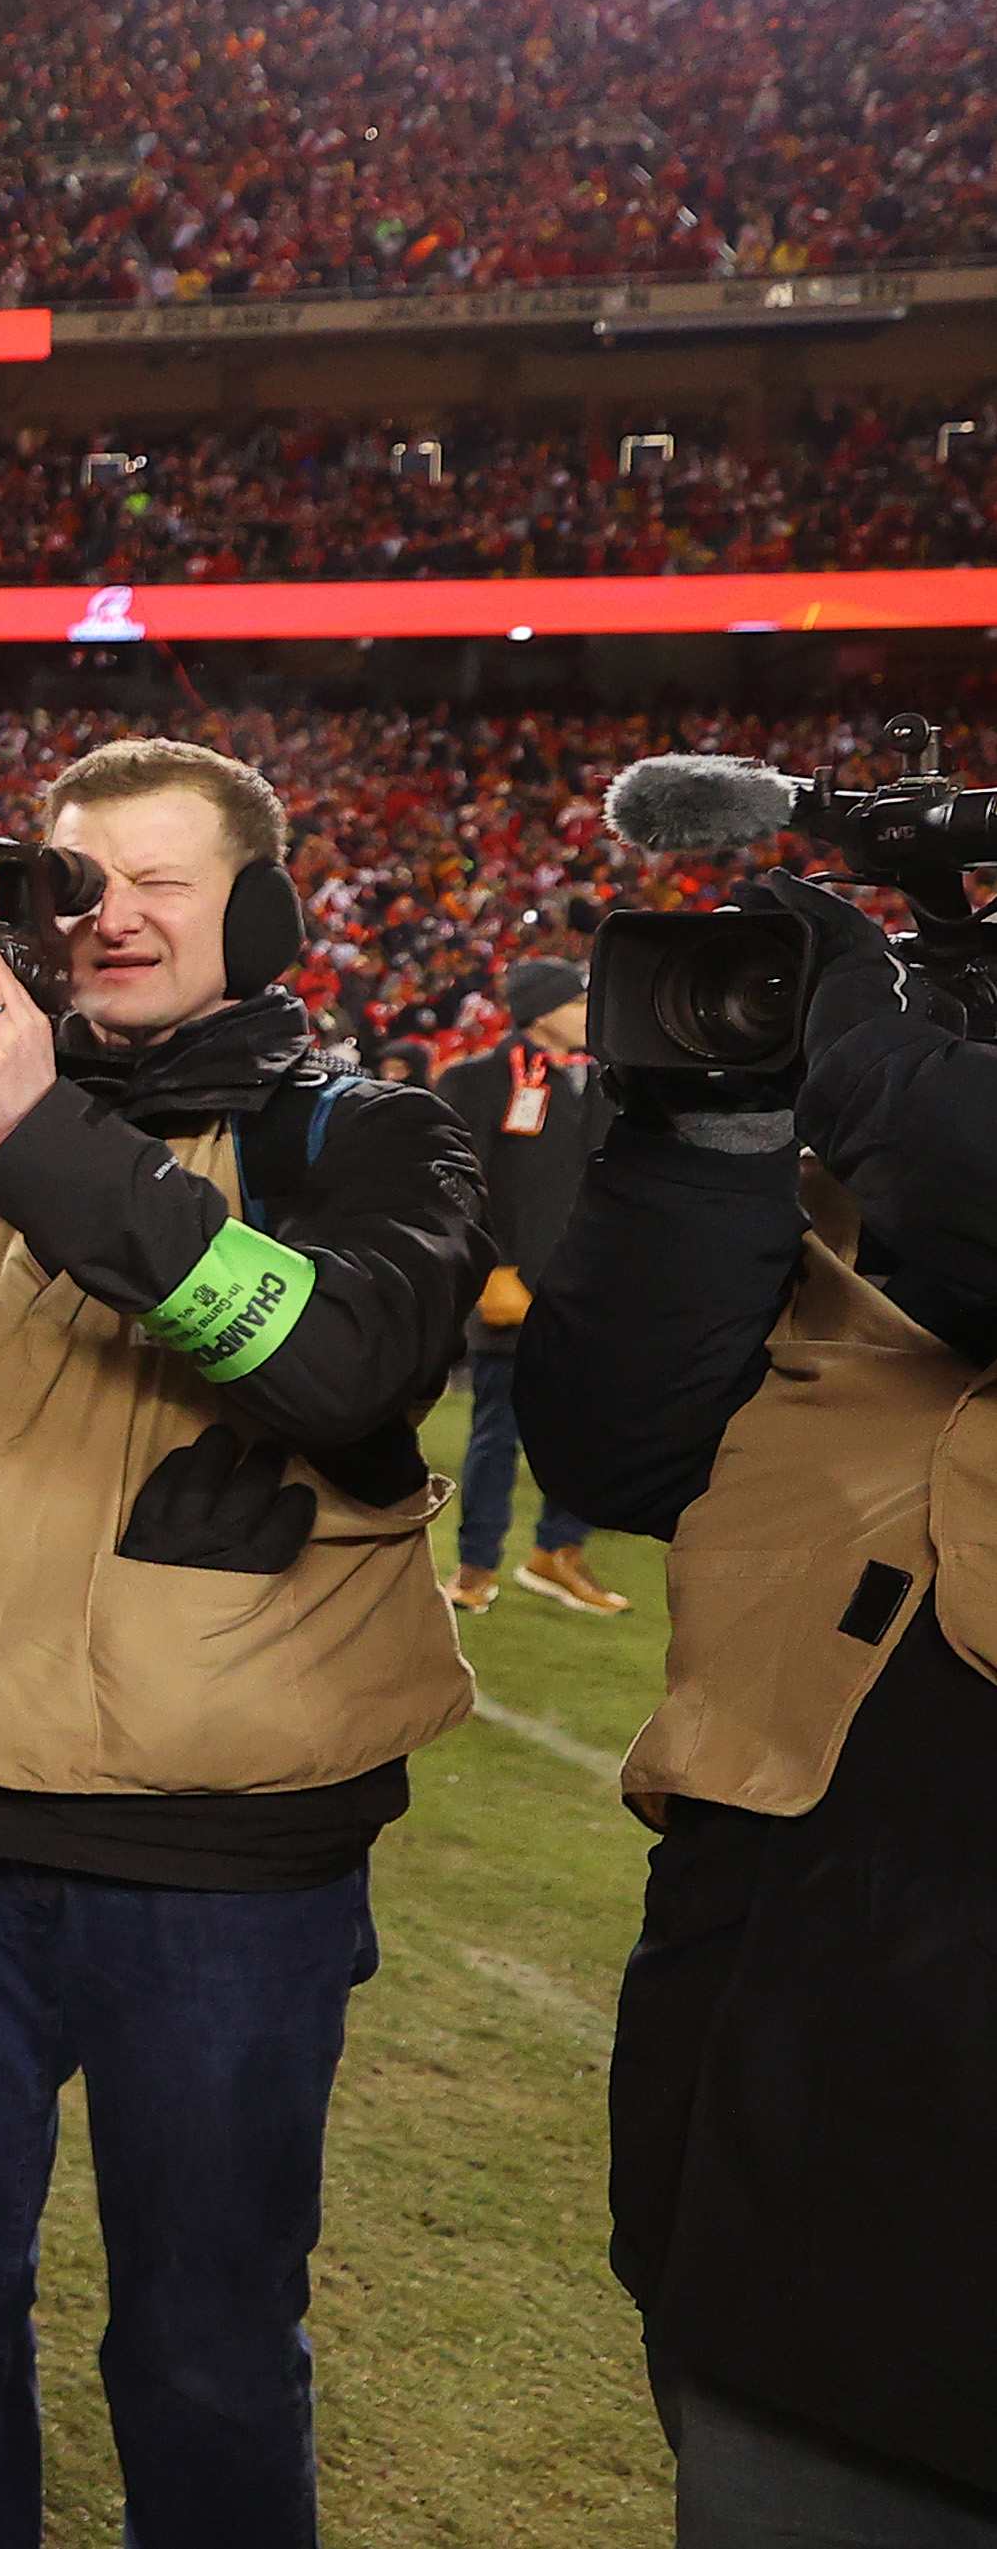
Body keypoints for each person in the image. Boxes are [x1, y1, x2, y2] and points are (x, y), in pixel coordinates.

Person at [0, 736, 488, 2549]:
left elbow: (342, 1360)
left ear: (263, 913)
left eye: (164, 882)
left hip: (215, 1861)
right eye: (74, 881)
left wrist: (42, 1131)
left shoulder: (362, 1130)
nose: (110, 916)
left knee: (203, 2343)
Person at [519, 872, 997, 2548]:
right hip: (772, 2055)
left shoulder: (910, 1110)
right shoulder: (896, 1135)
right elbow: (619, 1442)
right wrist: (701, 1130)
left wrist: (862, 1049)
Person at [435, 960, 621, 1617]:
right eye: (578, 1002)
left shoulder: (607, 1081)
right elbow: (457, 1182)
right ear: (539, 1011)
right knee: (497, 1432)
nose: (588, 1013)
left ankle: (556, 1553)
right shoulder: (478, 1079)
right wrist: (490, 1267)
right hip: (513, 1285)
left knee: (586, 1432)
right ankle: (473, 1566)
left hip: (591, 1287)